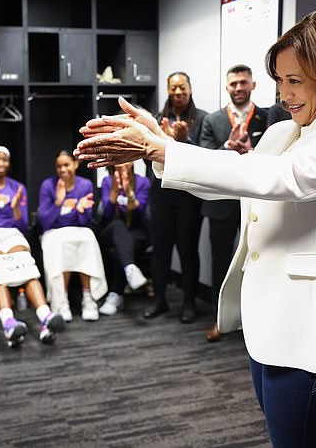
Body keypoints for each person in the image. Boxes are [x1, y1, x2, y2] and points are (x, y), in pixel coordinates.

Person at [75, 8, 316, 446]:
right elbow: (233, 180)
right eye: (280, 81)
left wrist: (160, 151)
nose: (285, 94)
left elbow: (285, 180)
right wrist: (164, 146)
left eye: (296, 80)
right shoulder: (285, 132)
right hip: (271, 323)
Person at [0, 145, 65, 347]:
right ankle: (9, 322)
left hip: (11, 234)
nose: (1, 163)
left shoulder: (17, 187)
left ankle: (45, 317)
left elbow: (23, 225)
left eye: (4, 160)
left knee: (26, 266)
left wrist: (15, 208)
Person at [200, 64, 268, 342]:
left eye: (243, 83)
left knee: (261, 261)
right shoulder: (213, 120)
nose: (238, 88)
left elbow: (278, 155)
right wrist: (228, 148)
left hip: (259, 204)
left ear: (253, 85)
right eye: (233, 84)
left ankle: (257, 322)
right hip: (222, 203)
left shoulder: (269, 117)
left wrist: (252, 151)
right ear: (226, 88)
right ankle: (221, 320)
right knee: (220, 263)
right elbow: (203, 159)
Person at [145, 71, 207, 323]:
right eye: (173, 88)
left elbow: (209, 157)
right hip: (161, 195)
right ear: (168, 90)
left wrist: (184, 141)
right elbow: (146, 152)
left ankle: (189, 302)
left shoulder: (203, 118)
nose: (178, 92)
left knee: (187, 249)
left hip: (189, 196)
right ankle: (159, 299)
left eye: (182, 87)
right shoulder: (157, 120)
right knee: (160, 250)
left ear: (190, 89)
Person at [38, 150, 107, 322]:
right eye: (59, 166)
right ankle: (61, 301)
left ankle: (88, 297)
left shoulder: (85, 185)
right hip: (54, 233)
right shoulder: (48, 185)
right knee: (60, 242)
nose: (63, 169)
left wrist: (81, 210)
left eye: (66, 165)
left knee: (89, 238)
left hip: (78, 230)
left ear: (75, 164)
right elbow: (45, 222)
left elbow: (84, 222)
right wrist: (59, 201)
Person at [98, 162, 151, 315]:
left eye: (125, 159)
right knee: (118, 226)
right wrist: (114, 191)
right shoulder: (107, 181)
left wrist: (129, 193)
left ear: (133, 161)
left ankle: (115, 294)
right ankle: (130, 269)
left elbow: (139, 214)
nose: (122, 163)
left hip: (136, 231)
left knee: (121, 249)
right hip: (111, 229)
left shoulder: (143, 182)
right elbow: (106, 214)